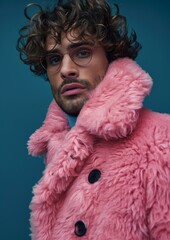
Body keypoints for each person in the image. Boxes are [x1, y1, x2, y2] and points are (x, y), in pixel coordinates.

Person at [17, 0, 170, 239]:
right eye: (55, 59)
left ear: (110, 58)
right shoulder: (59, 147)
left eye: (82, 52)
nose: (66, 69)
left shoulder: (162, 140)